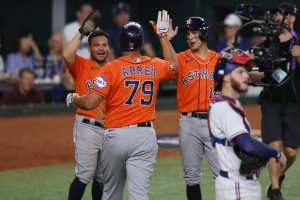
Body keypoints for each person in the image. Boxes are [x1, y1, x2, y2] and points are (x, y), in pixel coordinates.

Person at [67, 11, 177, 200]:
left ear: (120, 43)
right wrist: (163, 37)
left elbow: (91, 102)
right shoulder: (154, 65)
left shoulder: (111, 68)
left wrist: (75, 97)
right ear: (141, 43)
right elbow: (174, 65)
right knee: (139, 194)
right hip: (144, 136)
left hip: (116, 136)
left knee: (111, 193)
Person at [208, 56, 286, 200]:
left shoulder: (230, 104)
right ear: (225, 78)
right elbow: (247, 145)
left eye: (246, 72)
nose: (246, 76)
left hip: (239, 184)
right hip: (236, 186)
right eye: (240, 72)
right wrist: (276, 153)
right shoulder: (224, 108)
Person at [164, 16, 220, 200]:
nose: (190, 37)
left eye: (194, 32)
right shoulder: (181, 58)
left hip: (215, 122)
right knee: (191, 176)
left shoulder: (218, 59)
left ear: (203, 33)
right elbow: (170, 66)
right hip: (188, 123)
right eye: (188, 33)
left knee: (222, 175)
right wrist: (165, 39)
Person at [62, 18, 110, 199]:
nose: (100, 48)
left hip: (108, 128)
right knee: (84, 174)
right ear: (90, 48)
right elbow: (66, 55)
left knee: (101, 177)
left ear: (109, 47)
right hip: (87, 127)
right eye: (96, 45)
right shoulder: (82, 65)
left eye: (104, 45)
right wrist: (82, 32)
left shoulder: (114, 69)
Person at [257, 3, 300, 200]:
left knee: (291, 151)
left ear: (292, 18)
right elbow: (256, 73)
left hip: (293, 102)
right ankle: (275, 190)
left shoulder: (298, 42)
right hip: (271, 100)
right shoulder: (267, 43)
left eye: (282, 14)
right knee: (274, 146)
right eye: (276, 13)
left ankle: (280, 175)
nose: (278, 17)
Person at [45, 33, 73, 103]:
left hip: (67, 88)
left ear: (62, 43)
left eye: (58, 42)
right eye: (54, 42)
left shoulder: (67, 58)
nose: (56, 44)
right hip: (51, 89)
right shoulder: (48, 58)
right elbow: (46, 77)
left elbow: (70, 76)